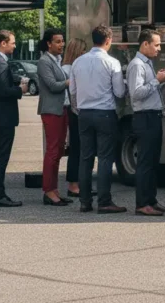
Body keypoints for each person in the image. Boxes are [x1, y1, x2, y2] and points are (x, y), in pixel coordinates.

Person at [70, 25, 127, 214]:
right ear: (109, 40)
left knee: (85, 158)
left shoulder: (78, 62)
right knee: (104, 158)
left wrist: (79, 108)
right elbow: (119, 92)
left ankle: (84, 202)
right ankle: (104, 201)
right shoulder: (112, 63)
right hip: (105, 113)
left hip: (84, 113)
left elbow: (73, 91)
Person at [127, 30, 165, 216]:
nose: (159, 48)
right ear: (145, 44)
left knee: (154, 162)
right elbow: (136, 93)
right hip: (144, 117)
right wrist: (156, 81)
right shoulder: (137, 65)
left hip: (152, 116)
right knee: (145, 162)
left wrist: (159, 81)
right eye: (156, 44)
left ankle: (151, 200)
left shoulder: (147, 63)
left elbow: (148, 90)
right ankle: (142, 203)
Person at [0, 30, 28, 207]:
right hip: (2, 117)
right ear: (3, 43)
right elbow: (3, 91)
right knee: (0, 156)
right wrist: (20, 90)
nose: (15, 46)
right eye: (13, 43)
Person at [36, 29, 72, 206]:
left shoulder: (56, 60)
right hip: (51, 110)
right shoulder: (44, 61)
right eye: (58, 41)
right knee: (52, 151)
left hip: (62, 108)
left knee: (58, 151)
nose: (61, 45)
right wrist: (69, 82)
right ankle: (48, 190)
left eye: (62, 41)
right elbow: (51, 85)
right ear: (49, 44)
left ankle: (54, 189)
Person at [62, 38, 89, 198]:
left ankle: (79, 182)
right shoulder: (68, 68)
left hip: (77, 109)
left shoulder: (73, 66)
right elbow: (71, 93)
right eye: (83, 50)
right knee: (77, 148)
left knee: (81, 148)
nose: (85, 53)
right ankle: (73, 184)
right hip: (74, 110)